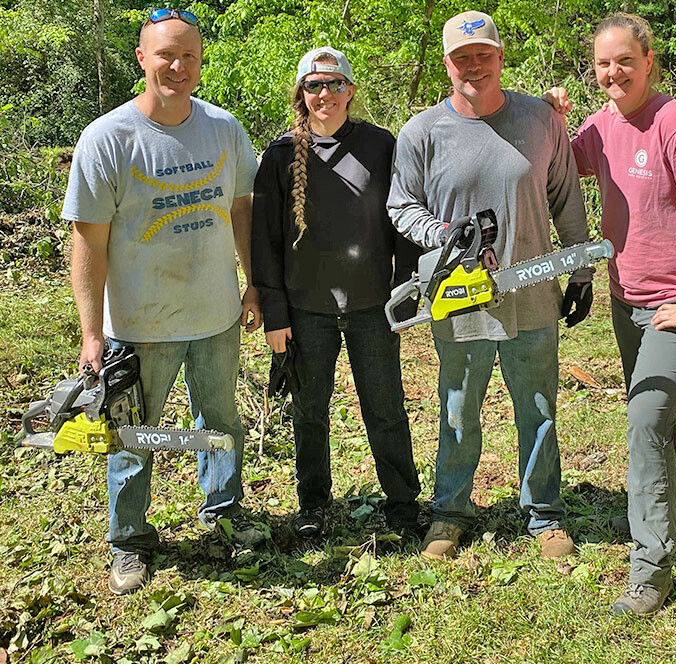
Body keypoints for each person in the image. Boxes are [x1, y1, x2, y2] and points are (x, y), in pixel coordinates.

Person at [63, 9, 263, 596]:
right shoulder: (108, 139)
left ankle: (222, 512)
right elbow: (87, 240)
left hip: (216, 315)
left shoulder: (223, 129)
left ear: (200, 63)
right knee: (133, 435)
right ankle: (128, 541)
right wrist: (91, 332)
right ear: (142, 58)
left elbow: (241, 209)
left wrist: (252, 281)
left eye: (190, 56)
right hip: (139, 324)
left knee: (221, 420)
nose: (178, 67)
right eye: (166, 55)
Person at [387, 10, 593, 561]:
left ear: (500, 57)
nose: (473, 66)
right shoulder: (421, 132)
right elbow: (400, 205)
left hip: (531, 290)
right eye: (462, 58)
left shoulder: (541, 120)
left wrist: (580, 270)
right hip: (458, 298)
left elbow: (566, 200)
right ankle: (450, 513)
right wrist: (441, 235)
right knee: (457, 407)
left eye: (484, 55)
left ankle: (544, 514)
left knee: (538, 406)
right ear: (448, 65)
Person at [546, 13, 676, 614]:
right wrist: (553, 119)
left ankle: (650, 567)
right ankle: (673, 514)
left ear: (650, 61)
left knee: (644, 418)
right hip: (628, 300)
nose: (613, 72)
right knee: (658, 418)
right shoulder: (601, 125)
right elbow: (560, 170)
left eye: (625, 60)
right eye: (603, 63)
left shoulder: (675, 124)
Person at [250, 47, 422, 541]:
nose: (324, 94)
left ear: (351, 90)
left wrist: (405, 289)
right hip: (306, 311)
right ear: (301, 95)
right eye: (313, 86)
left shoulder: (380, 145)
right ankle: (313, 504)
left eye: (334, 84)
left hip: (373, 306)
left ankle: (403, 506)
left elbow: (403, 222)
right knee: (310, 410)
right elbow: (267, 244)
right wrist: (275, 315)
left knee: (385, 406)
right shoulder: (280, 157)